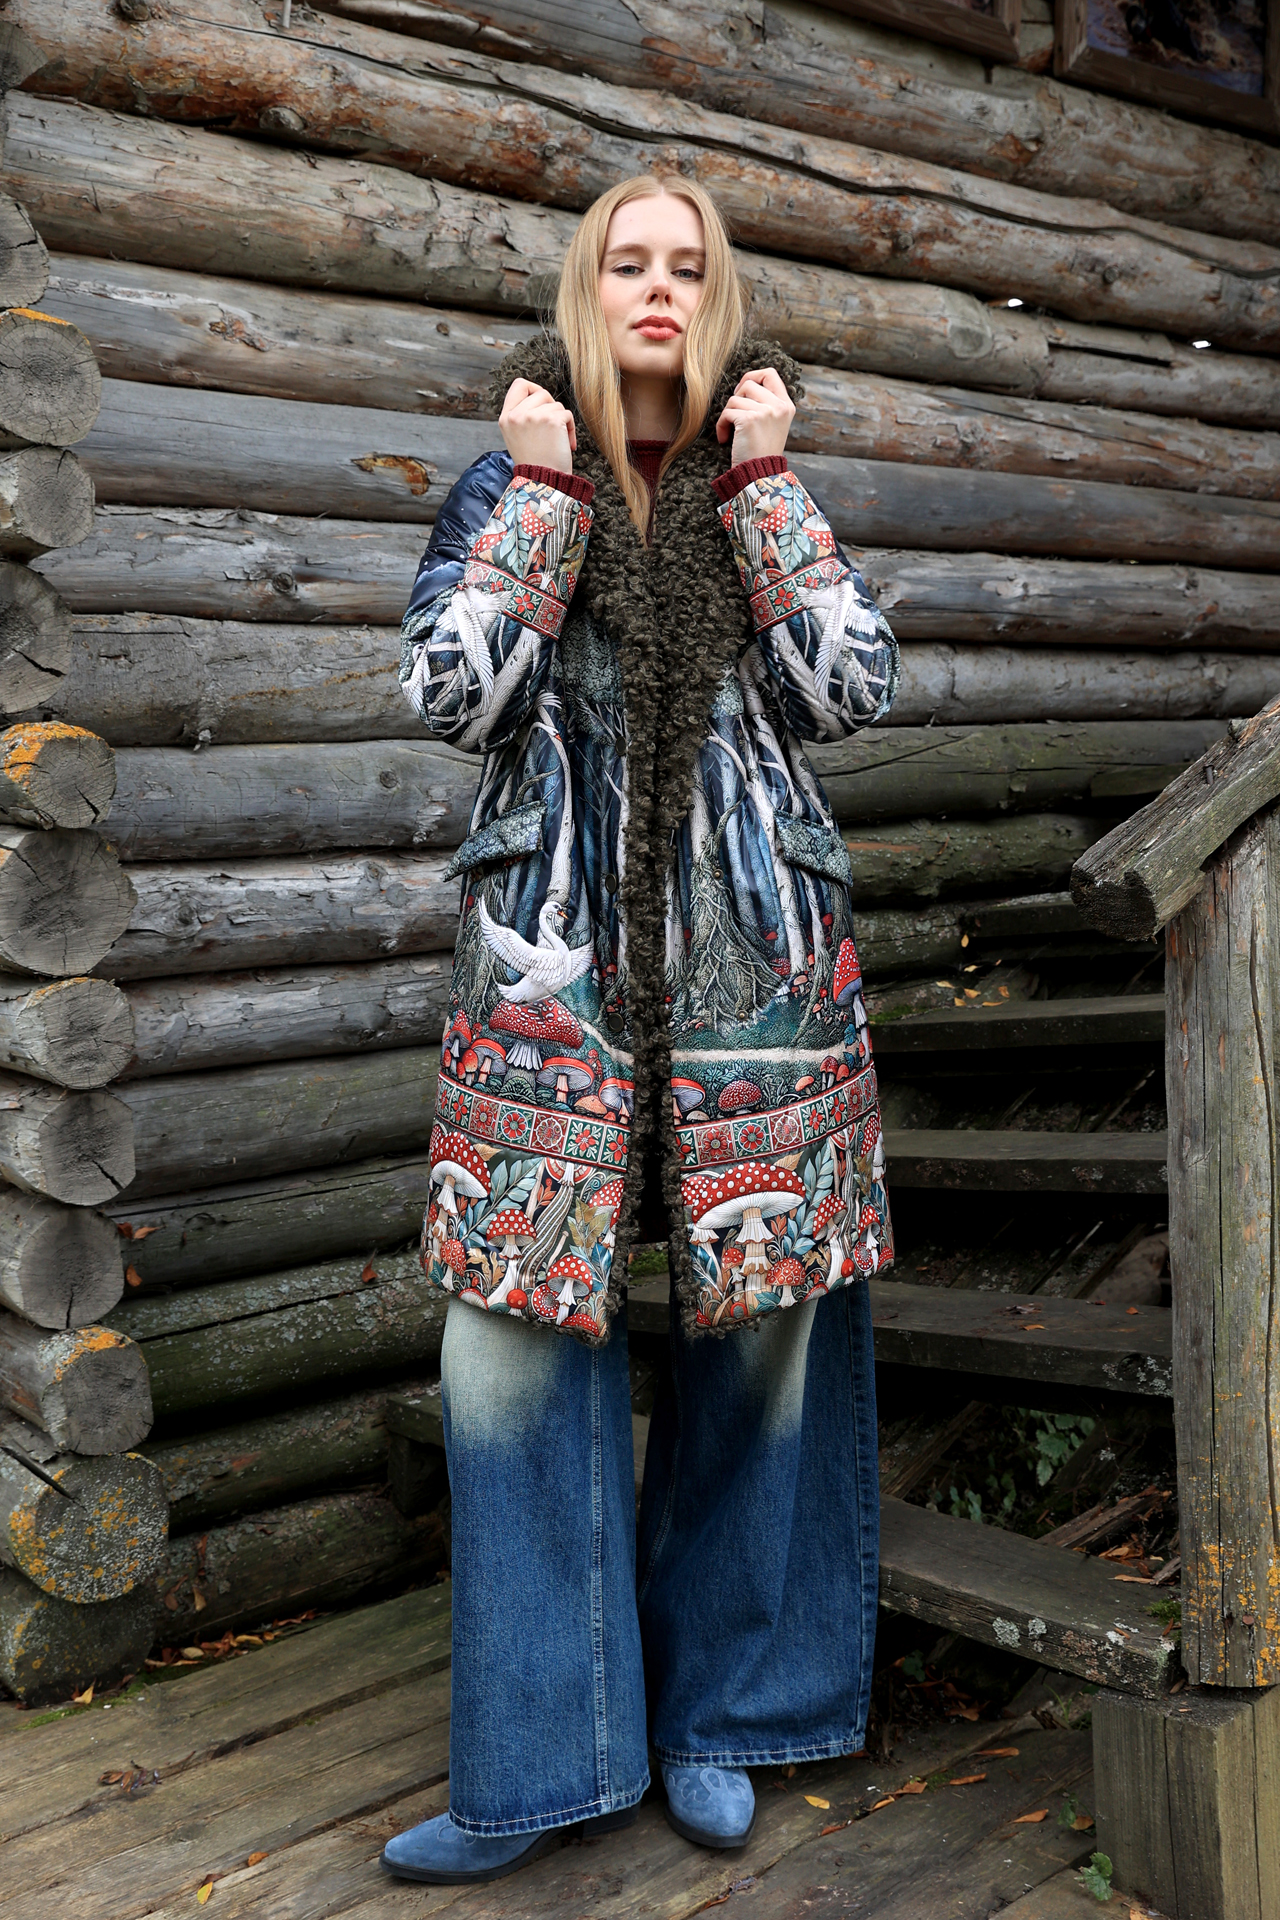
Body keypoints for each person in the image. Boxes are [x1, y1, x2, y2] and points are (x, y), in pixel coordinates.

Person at [383, 174, 900, 1887]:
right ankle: (544, 1757)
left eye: (690, 266)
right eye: (630, 263)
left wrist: (764, 489)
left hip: (760, 982)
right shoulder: (506, 480)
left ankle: (720, 1718)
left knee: (765, 1337)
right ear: (586, 290)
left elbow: (850, 689)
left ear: (720, 298)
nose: (658, 290)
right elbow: (452, 694)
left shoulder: (765, 487)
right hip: (556, 987)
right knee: (510, 1352)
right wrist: (543, 494)